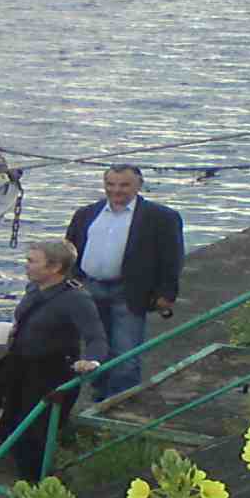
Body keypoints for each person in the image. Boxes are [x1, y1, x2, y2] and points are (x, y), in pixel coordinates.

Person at [0, 239, 108, 484]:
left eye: (32, 261)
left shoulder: (76, 299)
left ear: (55, 267)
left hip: (50, 375)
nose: (26, 266)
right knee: (11, 429)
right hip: (21, 369)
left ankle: (36, 486)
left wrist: (92, 361)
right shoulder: (34, 290)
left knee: (35, 435)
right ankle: (21, 483)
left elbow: (96, 338)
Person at [64, 164, 186, 400]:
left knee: (126, 352)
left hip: (129, 292)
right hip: (90, 289)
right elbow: (70, 249)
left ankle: (121, 403)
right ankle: (99, 396)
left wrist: (166, 294)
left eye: (124, 185)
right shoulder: (86, 213)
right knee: (96, 350)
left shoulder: (162, 217)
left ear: (139, 185)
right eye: (110, 184)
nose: (116, 190)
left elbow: (172, 258)